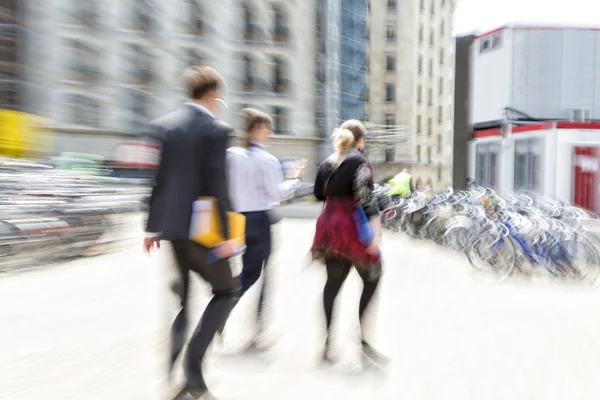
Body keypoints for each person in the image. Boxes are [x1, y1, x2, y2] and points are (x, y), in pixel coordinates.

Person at [144, 65, 237, 400]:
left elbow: (158, 181)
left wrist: (151, 227)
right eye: (219, 96)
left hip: (172, 229)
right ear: (213, 94)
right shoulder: (216, 129)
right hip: (205, 232)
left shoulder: (167, 127)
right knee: (227, 291)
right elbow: (218, 186)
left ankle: (172, 374)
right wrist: (227, 236)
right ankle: (193, 370)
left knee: (185, 301)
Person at [224, 108, 305, 347]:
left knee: (246, 271)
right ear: (257, 129)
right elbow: (277, 194)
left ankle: (220, 311)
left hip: (237, 220)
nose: (270, 132)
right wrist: (295, 179)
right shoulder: (267, 160)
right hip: (260, 220)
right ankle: (258, 330)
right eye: (267, 127)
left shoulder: (232, 155)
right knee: (263, 274)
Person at [311, 119, 387, 366]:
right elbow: (366, 199)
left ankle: (328, 342)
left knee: (332, 284)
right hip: (352, 226)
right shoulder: (360, 163)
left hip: (329, 227)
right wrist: (375, 233)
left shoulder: (327, 162)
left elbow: (318, 194)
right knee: (373, 275)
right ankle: (362, 340)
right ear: (360, 141)